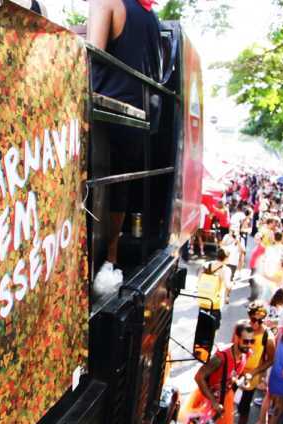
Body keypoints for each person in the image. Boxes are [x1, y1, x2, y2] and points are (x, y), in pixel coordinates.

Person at [88, 0, 162, 294]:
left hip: (104, 113)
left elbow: (90, 55)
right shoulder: (150, 16)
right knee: (119, 188)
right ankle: (110, 258)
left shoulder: (105, 1)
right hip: (137, 120)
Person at [179, 321, 254, 424]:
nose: (249, 345)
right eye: (245, 341)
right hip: (207, 396)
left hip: (224, 399)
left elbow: (233, 376)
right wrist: (213, 401)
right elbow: (199, 376)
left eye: (251, 341)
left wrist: (243, 379)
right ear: (236, 338)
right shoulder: (220, 357)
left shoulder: (246, 354)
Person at [227, 302, 275, 424]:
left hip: (251, 378)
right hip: (235, 373)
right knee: (225, 401)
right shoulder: (240, 328)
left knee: (243, 408)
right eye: (254, 320)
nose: (256, 324)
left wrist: (255, 372)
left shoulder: (268, 337)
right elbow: (231, 347)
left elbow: (270, 360)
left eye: (260, 321)